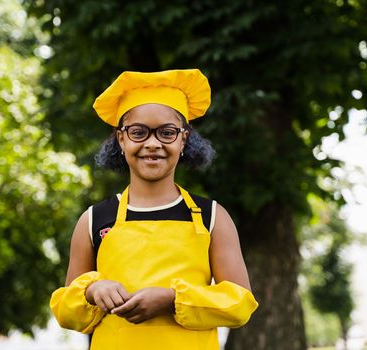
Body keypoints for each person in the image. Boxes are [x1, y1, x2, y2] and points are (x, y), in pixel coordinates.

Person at [50, 69, 258, 350]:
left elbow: (240, 303)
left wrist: (173, 300)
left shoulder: (212, 217)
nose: (152, 143)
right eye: (138, 132)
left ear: (184, 139)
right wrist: (90, 290)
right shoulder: (93, 220)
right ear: (121, 139)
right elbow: (66, 311)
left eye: (167, 133)